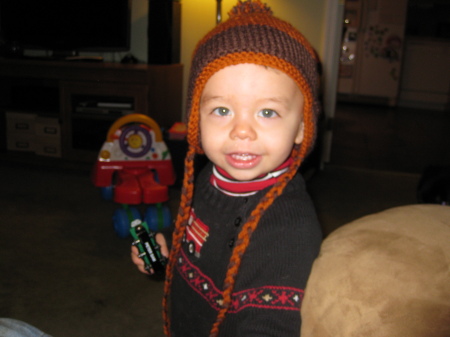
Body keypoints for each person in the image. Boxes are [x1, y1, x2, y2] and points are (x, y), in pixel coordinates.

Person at [131, 1, 323, 336]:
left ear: (303, 127)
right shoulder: (208, 179)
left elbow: (275, 325)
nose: (241, 131)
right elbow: (198, 251)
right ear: (196, 118)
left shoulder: (289, 228)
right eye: (221, 110)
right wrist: (164, 261)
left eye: (267, 112)